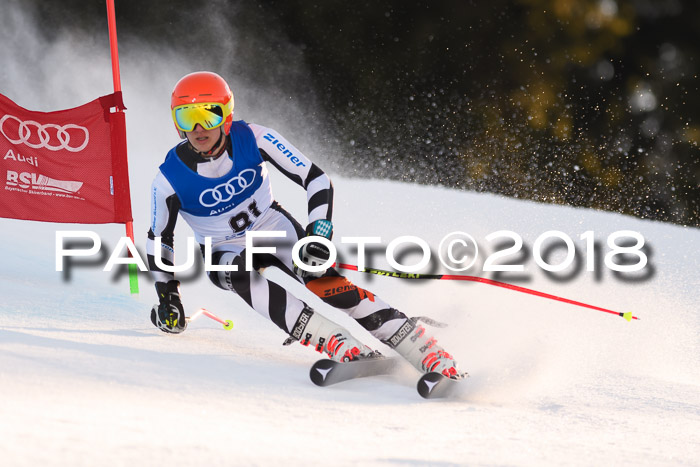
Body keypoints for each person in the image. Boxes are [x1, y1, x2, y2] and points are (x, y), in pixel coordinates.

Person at [147, 71, 462, 378]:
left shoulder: (254, 137)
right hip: (223, 249)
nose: (199, 128)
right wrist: (168, 295)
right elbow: (160, 239)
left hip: (271, 227)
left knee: (325, 283)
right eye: (187, 118)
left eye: (210, 115)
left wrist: (318, 232)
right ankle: (335, 340)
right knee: (238, 272)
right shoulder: (169, 179)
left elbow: (316, 178)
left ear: (226, 116)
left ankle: (422, 349)